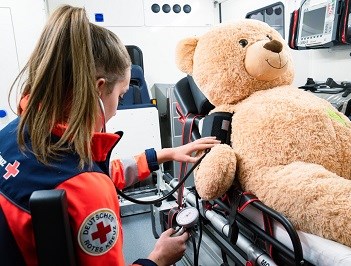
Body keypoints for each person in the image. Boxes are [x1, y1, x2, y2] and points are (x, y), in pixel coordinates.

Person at [0, 5, 220, 266]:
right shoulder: (87, 189)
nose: (117, 110)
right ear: (98, 90)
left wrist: (166, 154)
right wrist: (158, 258)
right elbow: (86, 185)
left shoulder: (14, 133)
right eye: (121, 95)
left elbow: (88, 176)